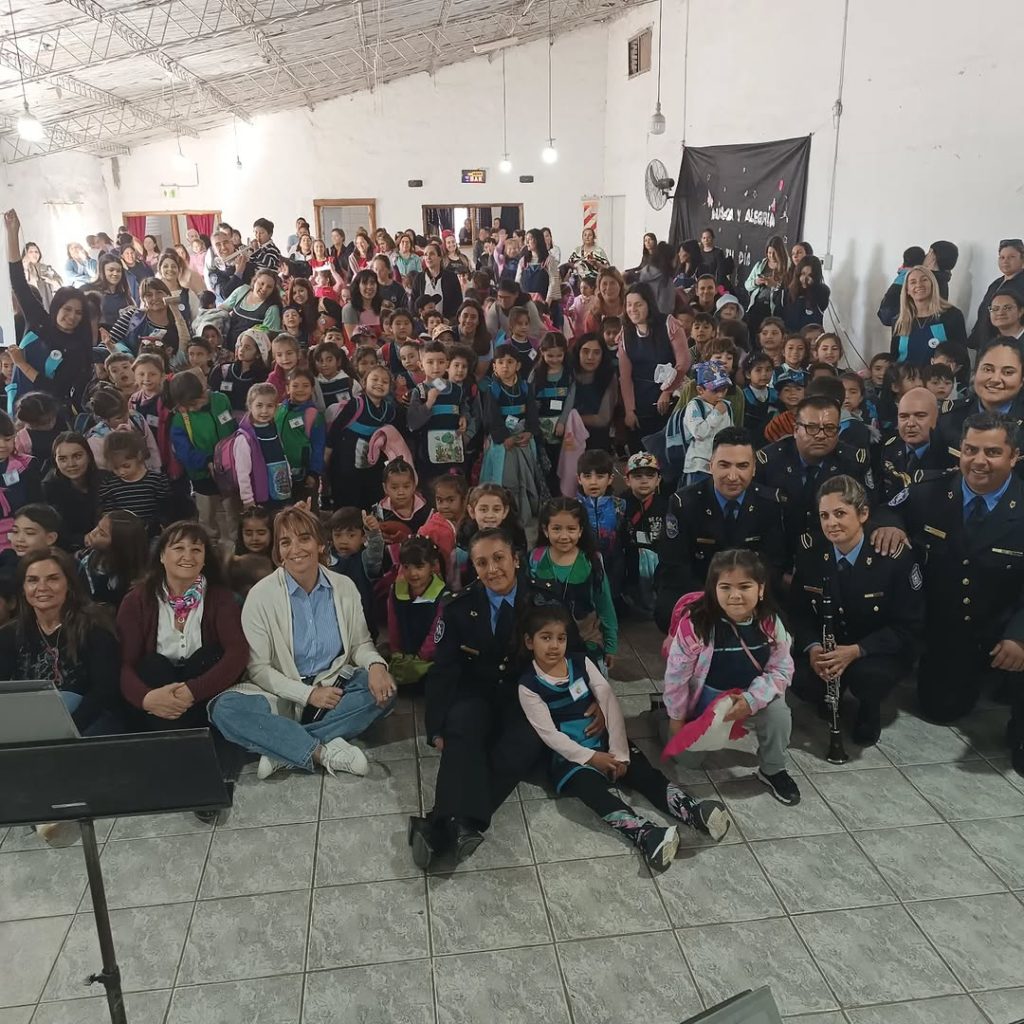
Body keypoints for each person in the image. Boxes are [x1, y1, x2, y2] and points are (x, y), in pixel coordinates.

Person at [408, 527, 602, 868]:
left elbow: (574, 654)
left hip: (526, 695)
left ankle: (448, 823)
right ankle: (459, 826)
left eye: (499, 558)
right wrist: (435, 727)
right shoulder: (458, 606)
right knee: (460, 730)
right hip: (477, 691)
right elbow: (444, 670)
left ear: (516, 559)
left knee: (520, 749)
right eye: (482, 563)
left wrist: (595, 695)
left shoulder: (544, 601)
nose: (492, 569)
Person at [518, 602, 730, 871]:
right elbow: (549, 734)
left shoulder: (580, 662)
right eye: (545, 638)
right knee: (593, 792)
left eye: (561, 638)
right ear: (529, 641)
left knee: (643, 772)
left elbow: (608, 701)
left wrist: (619, 752)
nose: (554, 646)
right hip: (571, 758)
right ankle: (646, 835)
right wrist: (591, 758)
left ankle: (692, 811)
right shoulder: (528, 686)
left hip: (605, 739)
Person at [877, 412, 1024, 772]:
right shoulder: (931, 490)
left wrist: (1019, 636)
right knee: (941, 709)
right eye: (971, 449)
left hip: (1003, 626)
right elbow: (885, 510)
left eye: (992, 452)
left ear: (1014, 457)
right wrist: (891, 526)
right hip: (949, 630)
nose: (979, 461)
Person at [209, 503, 398, 779]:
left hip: (333, 686)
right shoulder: (261, 596)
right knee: (224, 709)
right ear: (278, 551)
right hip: (281, 692)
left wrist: (376, 666)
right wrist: (308, 695)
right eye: (286, 542)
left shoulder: (344, 587)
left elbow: (360, 645)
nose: (295, 549)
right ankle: (322, 752)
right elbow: (258, 669)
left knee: (384, 691)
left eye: (304, 538)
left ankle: (281, 748)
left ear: (321, 544)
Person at [791, 475, 925, 745]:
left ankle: (868, 709)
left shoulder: (892, 557)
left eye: (840, 513)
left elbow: (909, 625)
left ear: (863, 514)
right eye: (824, 515)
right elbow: (799, 611)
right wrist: (814, 648)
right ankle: (832, 695)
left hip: (875, 649)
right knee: (802, 682)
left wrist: (856, 650)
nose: (831, 523)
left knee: (869, 679)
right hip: (829, 646)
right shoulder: (811, 551)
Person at [662, 548, 800, 805]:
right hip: (706, 703)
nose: (735, 595)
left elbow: (782, 670)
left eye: (745, 586)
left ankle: (773, 769)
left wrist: (750, 700)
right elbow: (676, 677)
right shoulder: (696, 624)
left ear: (760, 589)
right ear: (713, 589)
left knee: (779, 712)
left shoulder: (771, 623)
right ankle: (660, 718)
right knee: (688, 761)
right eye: (725, 587)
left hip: (750, 698)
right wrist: (676, 719)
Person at [118, 520, 248, 733]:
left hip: (202, 693)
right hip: (155, 695)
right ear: (162, 556)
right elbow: (125, 664)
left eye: (196, 550)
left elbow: (238, 653)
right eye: (179, 548)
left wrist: (192, 691)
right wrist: (147, 698)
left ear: (204, 559)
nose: (188, 556)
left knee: (209, 656)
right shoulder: (135, 601)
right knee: (152, 665)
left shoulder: (222, 598)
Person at [655, 428, 786, 631]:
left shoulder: (769, 503)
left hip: (750, 593)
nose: (733, 476)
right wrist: (716, 601)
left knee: (784, 622)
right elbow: (675, 565)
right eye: (724, 465)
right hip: (699, 590)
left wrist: (744, 598)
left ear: (753, 469)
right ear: (711, 466)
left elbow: (773, 564)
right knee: (666, 611)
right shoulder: (684, 504)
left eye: (742, 466)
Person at [0, 548, 120, 735]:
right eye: (33, 580)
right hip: (31, 720)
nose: (42, 587)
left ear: (69, 584)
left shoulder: (94, 629)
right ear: (23, 589)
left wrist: (67, 728)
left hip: (89, 720)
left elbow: (105, 691)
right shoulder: (9, 634)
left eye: (52, 579)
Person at [755, 394, 872, 561]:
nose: (820, 435)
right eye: (812, 427)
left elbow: (871, 508)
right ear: (795, 430)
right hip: (776, 555)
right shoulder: (768, 461)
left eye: (829, 428)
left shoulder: (853, 463)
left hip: (831, 556)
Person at [5, 210, 92, 413]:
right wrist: (12, 233)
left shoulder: (77, 347)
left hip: (45, 415)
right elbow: (18, 281)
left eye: (78, 313)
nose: (72, 316)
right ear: (56, 307)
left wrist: (21, 363)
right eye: (67, 309)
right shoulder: (38, 320)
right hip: (16, 404)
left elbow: (56, 389)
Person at [935, 338, 1024, 481]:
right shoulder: (949, 417)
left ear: (1021, 380)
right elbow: (935, 473)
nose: (995, 379)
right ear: (975, 373)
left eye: (1008, 372)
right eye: (987, 369)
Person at [618, 282, 691, 451]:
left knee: (668, 451)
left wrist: (667, 391)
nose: (633, 309)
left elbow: (684, 362)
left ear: (649, 304)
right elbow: (625, 377)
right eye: (629, 305)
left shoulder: (669, 324)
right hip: (640, 400)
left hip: (671, 398)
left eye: (638, 304)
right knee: (641, 454)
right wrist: (629, 410)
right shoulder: (625, 334)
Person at [879, 387, 952, 501]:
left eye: (920, 416)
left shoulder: (950, 455)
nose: (910, 424)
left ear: (936, 418)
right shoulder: (890, 448)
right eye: (904, 416)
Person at [890, 266, 967, 366]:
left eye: (924, 280)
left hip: (939, 376)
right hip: (905, 376)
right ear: (907, 290)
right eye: (913, 282)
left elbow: (962, 358)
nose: (919, 285)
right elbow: (894, 359)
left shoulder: (952, 316)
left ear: (932, 284)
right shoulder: (899, 321)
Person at [43, 431, 99, 550]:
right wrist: (83, 539)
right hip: (67, 550)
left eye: (77, 456)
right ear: (55, 461)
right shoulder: (49, 488)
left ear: (89, 456)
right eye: (63, 459)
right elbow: (54, 531)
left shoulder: (105, 480)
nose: (71, 464)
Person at [969, 239, 1024, 349]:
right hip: (986, 341)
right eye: (1002, 257)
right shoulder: (996, 284)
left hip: (1010, 345)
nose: (1005, 261)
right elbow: (984, 311)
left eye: (1011, 257)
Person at [220, 268, 283, 347]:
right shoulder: (242, 291)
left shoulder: (272, 309)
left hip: (249, 351)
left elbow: (269, 336)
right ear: (254, 281)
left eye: (269, 287)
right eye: (261, 283)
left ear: (273, 290)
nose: (264, 289)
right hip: (225, 344)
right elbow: (222, 309)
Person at [410, 243, 461, 319]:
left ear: (440, 257)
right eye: (425, 254)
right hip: (423, 323)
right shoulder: (419, 278)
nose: (428, 257)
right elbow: (413, 303)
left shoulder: (451, 277)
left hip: (447, 322)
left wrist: (449, 321)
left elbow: (458, 303)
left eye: (432, 254)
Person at [783, 256, 830, 331]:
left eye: (810, 275)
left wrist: (811, 288)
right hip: (791, 335)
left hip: (811, 335)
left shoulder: (822, 292)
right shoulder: (788, 292)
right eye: (803, 273)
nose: (805, 279)